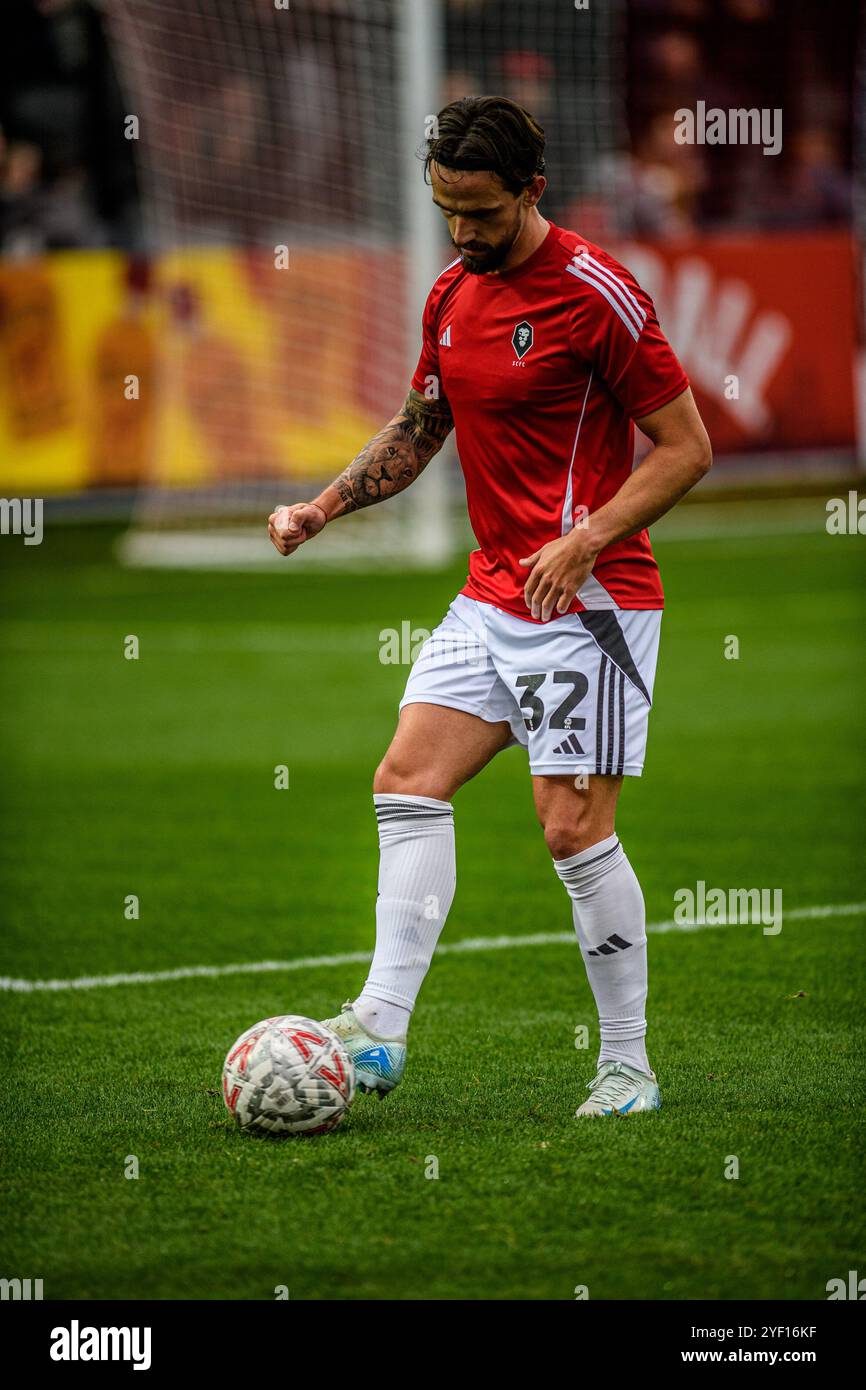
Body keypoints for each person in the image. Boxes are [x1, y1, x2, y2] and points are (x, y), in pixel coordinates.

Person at [268, 96, 712, 1118]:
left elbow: (686, 448)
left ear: (530, 192)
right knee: (406, 779)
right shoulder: (448, 294)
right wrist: (325, 506)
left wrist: (587, 533)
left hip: (591, 602)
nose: (462, 233)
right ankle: (378, 1031)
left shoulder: (597, 293)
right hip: (491, 594)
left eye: (480, 214)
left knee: (569, 833)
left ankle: (627, 1066)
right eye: (445, 212)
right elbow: (422, 422)